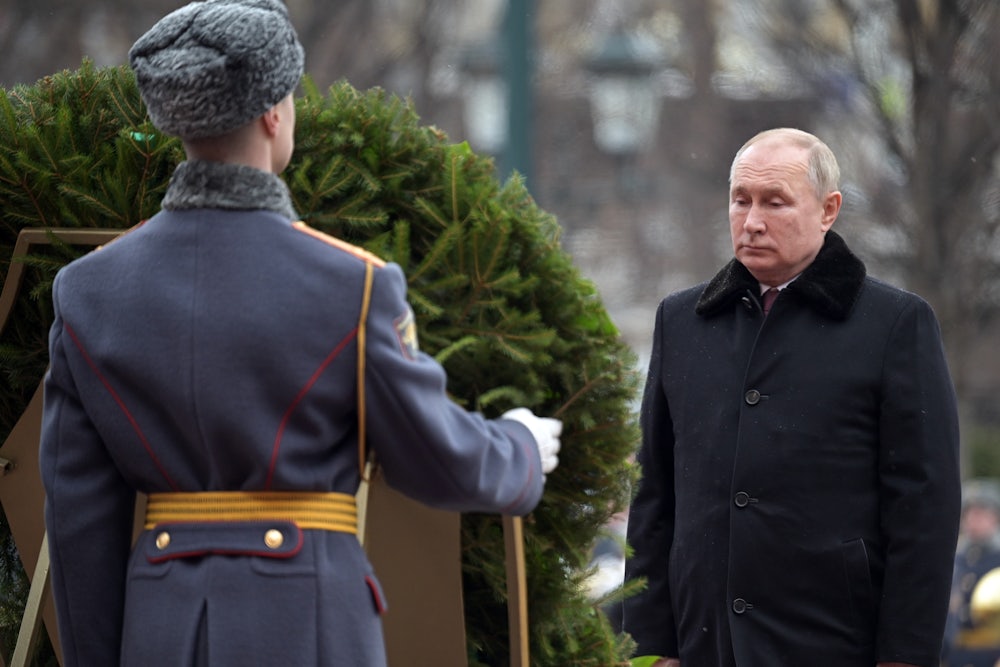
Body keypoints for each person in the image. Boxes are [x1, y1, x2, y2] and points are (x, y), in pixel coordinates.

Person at [39, 1, 560, 665]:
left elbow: (79, 520)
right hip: (310, 623)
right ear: (273, 113)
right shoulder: (353, 283)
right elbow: (437, 457)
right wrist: (518, 445)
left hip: (161, 631)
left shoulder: (87, 291)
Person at [620, 127, 961, 667]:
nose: (752, 220)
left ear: (829, 210)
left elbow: (924, 510)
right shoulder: (681, 321)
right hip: (703, 644)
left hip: (833, 643)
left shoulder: (895, 324)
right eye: (740, 200)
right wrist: (649, 647)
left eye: (775, 202)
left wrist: (905, 656)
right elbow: (654, 497)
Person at [942, 480, 1000, 667]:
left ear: (995, 519)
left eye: (981, 514)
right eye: (970, 514)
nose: (974, 520)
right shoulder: (956, 557)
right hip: (956, 654)